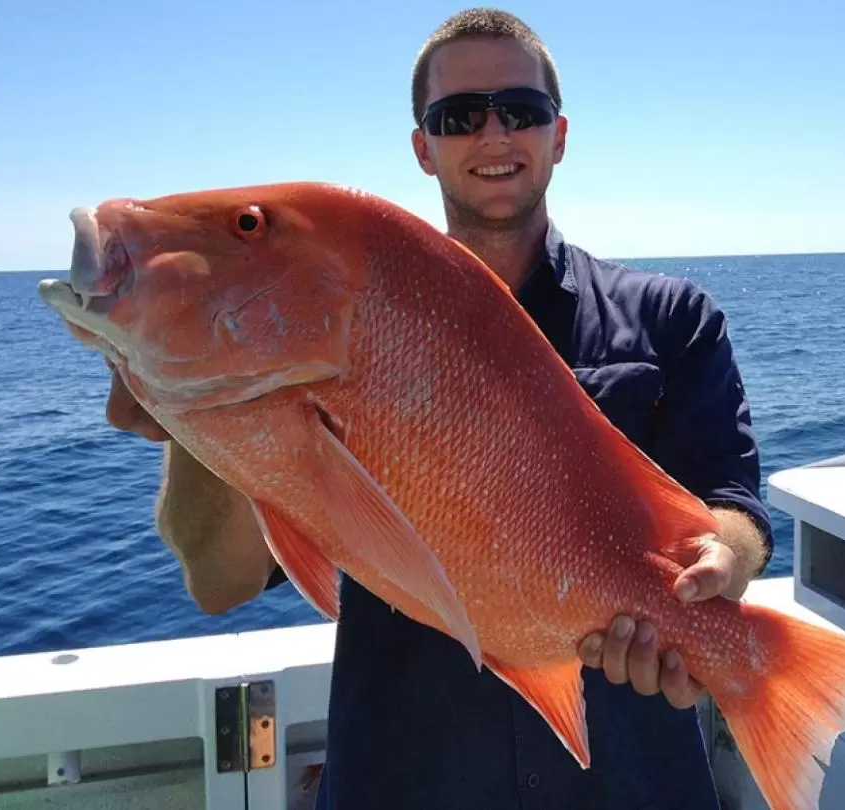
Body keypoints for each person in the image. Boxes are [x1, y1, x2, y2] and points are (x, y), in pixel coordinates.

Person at [105, 8, 774, 809]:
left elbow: (732, 505)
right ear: (423, 147)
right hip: (405, 778)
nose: (493, 135)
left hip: (629, 782)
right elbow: (221, 581)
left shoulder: (673, 319)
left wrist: (721, 568)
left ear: (558, 135)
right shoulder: (331, 334)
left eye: (519, 111)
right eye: (458, 117)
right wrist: (199, 406)